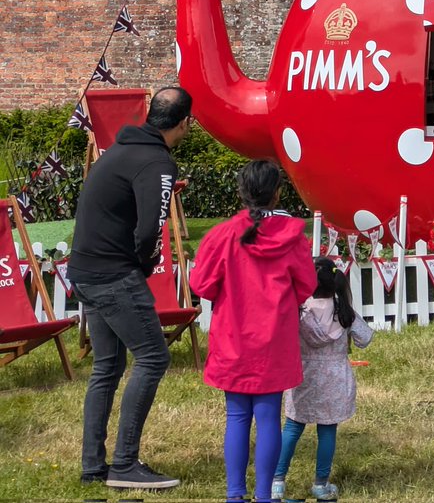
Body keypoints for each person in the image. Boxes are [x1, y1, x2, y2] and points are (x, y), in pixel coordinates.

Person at [69, 86, 193, 490]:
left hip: (85, 271)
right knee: (154, 359)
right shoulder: (156, 161)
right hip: (113, 275)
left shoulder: (120, 152)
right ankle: (123, 464)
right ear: (184, 122)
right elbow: (148, 228)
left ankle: (93, 466)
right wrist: (142, 266)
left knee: (108, 366)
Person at [190, 160, 316, 503]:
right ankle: (264, 496)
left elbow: (201, 284)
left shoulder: (222, 235)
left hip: (232, 337)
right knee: (268, 418)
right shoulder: (293, 237)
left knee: (237, 416)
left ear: (241, 192)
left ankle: (235, 495)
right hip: (274, 340)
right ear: (278, 194)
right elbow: (307, 284)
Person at [271, 257, 374, 503]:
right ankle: (320, 485)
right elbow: (365, 339)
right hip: (336, 379)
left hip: (303, 376)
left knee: (293, 427)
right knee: (327, 431)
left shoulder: (299, 309)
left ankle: (276, 483)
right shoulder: (343, 310)